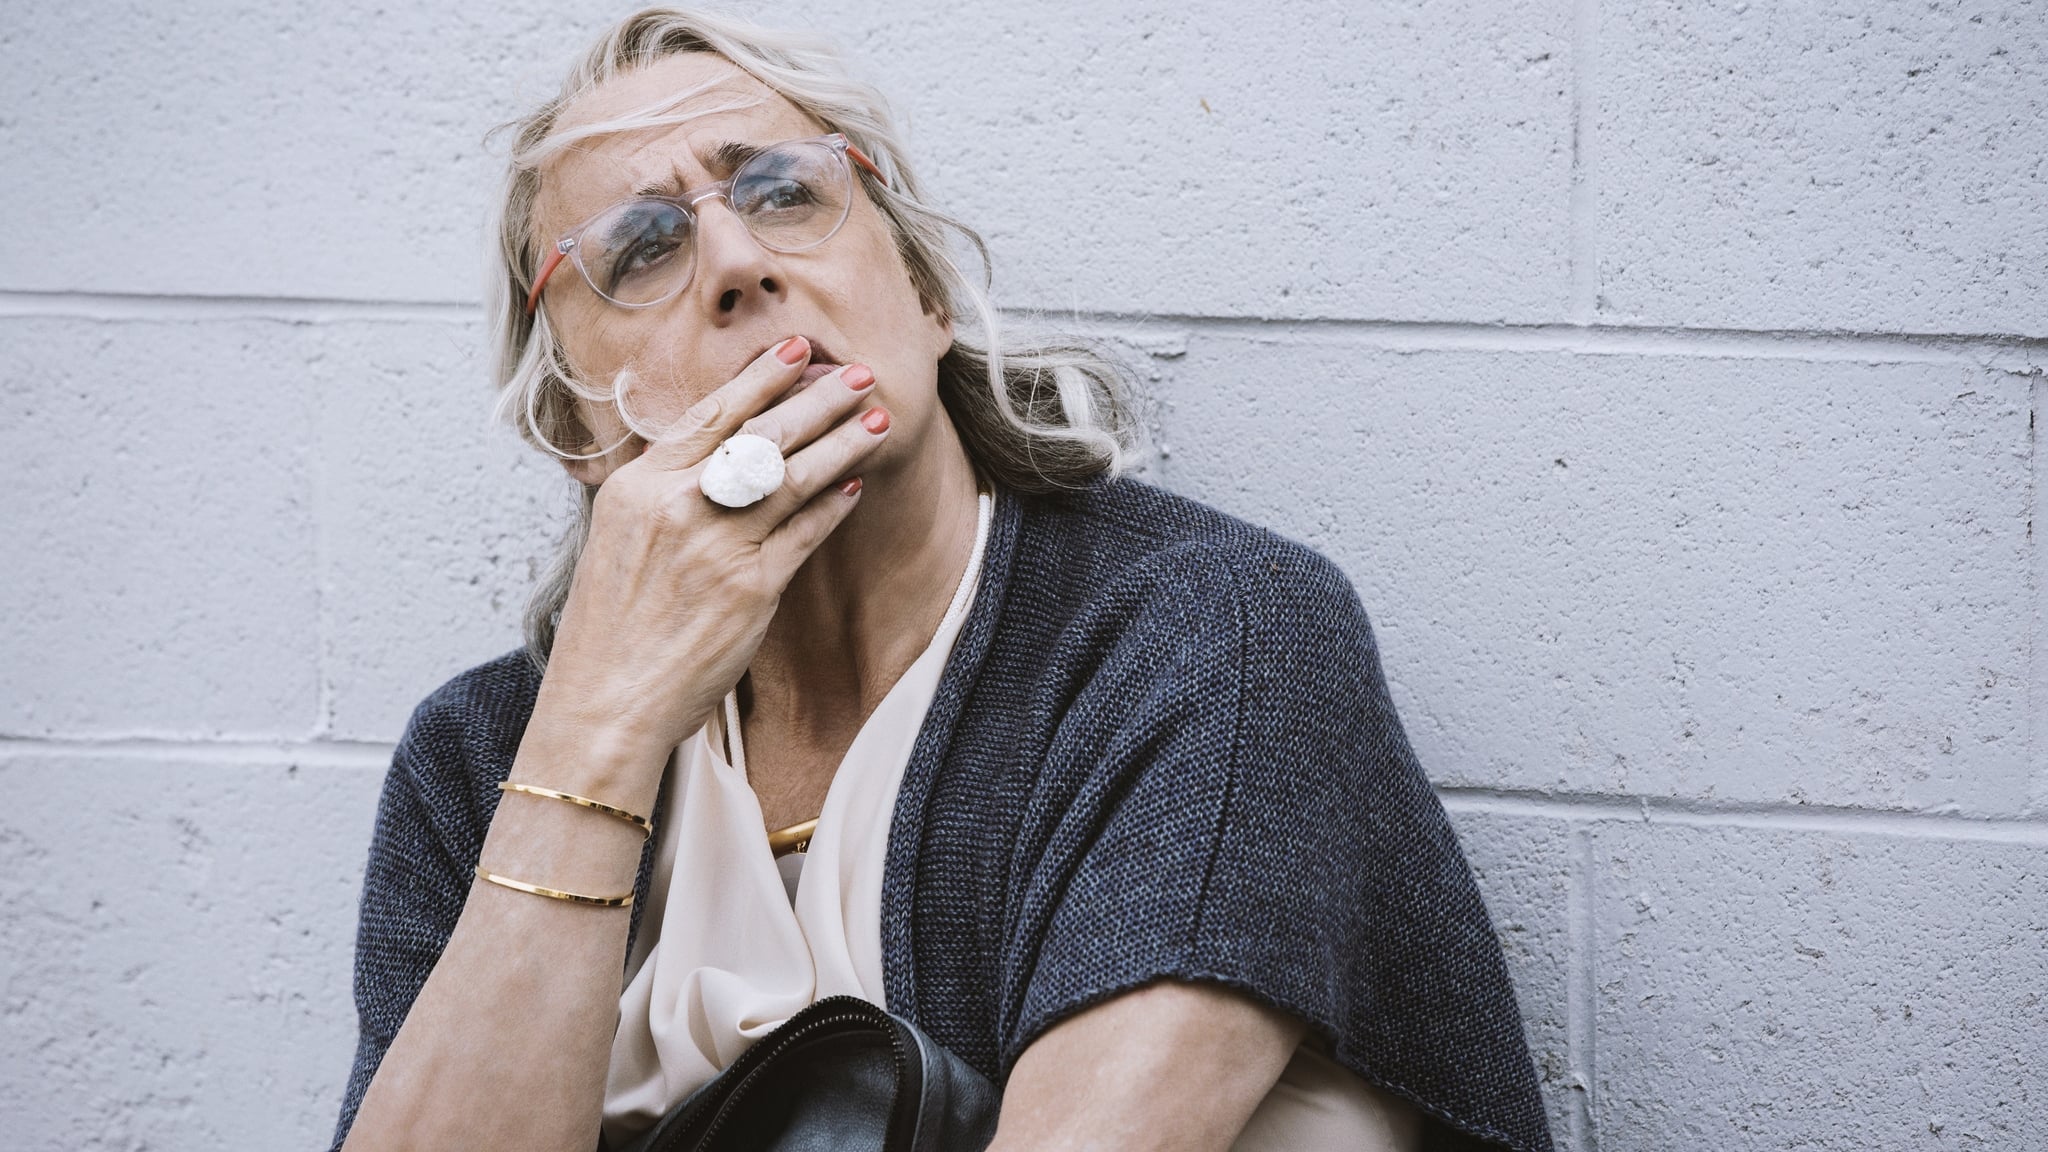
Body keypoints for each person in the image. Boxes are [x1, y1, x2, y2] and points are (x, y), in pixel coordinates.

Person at [329, 7, 1553, 1151]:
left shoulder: (1208, 635)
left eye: (783, 191)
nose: (738, 262)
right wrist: (593, 734)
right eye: (643, 247)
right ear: (579, 428)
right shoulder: (477, 759)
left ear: (922, 294)